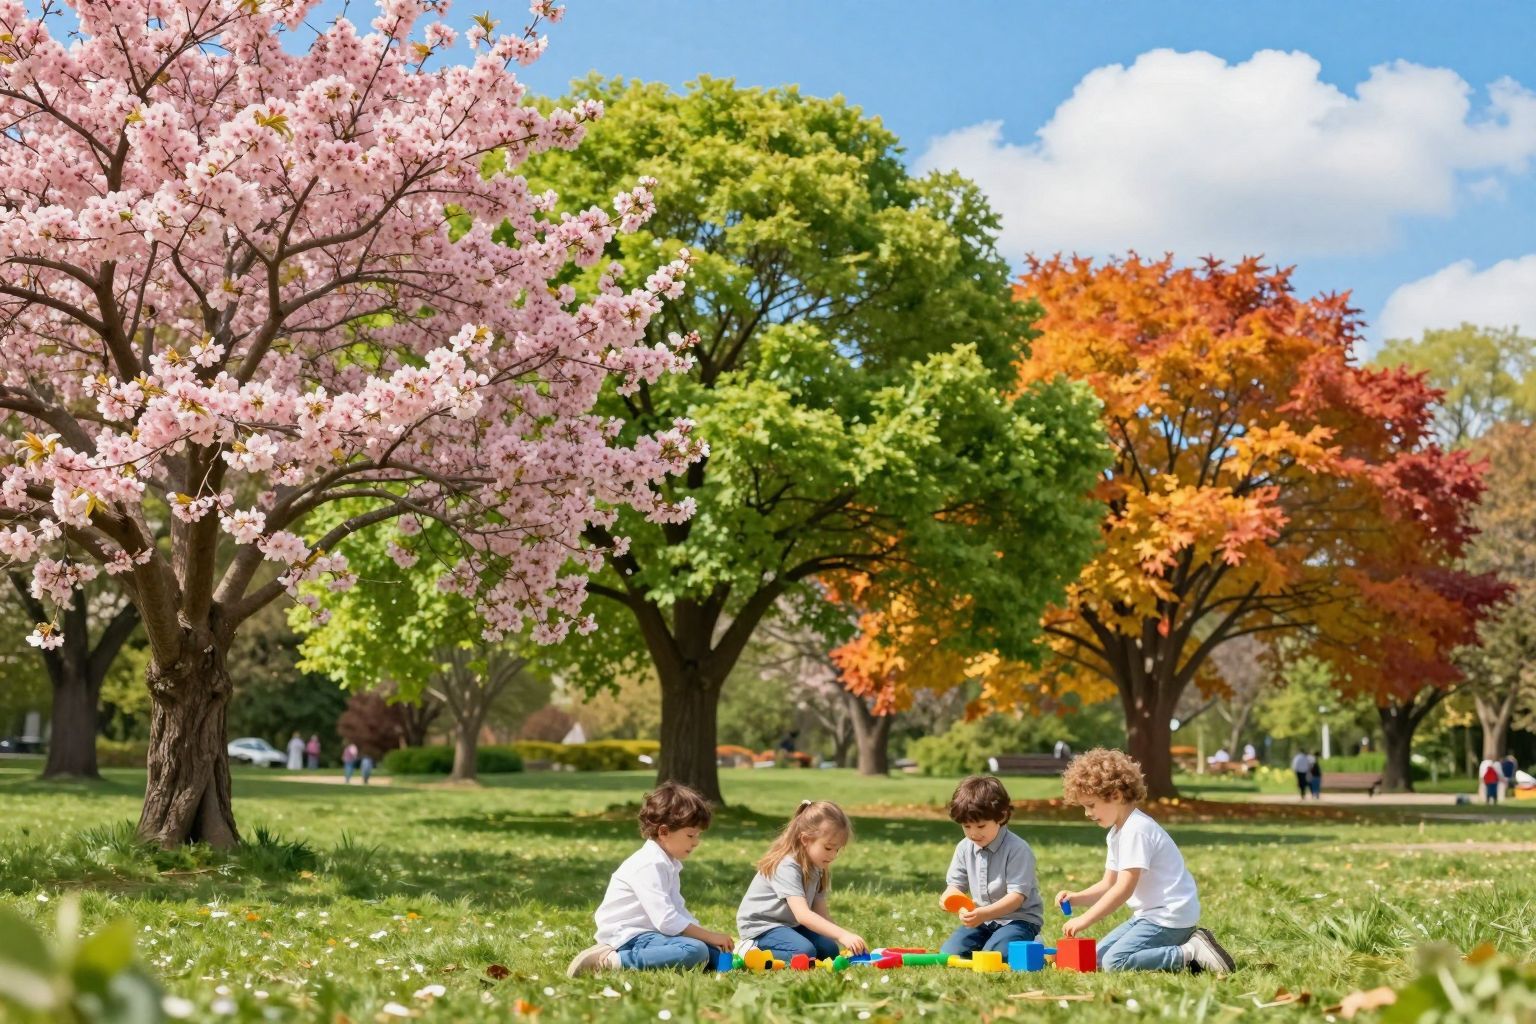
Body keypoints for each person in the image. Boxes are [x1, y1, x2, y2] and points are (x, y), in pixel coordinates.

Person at [1055, 748, 1234, 974]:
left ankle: (1190, 952)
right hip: (1148, 917)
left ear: (1116, 795)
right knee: (1097, 959)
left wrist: (1085, 920)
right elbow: (1108, 884)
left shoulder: (1137, 831)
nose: (1087, 813)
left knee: (1115, 963)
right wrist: (1077, 897)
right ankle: (1178, 946)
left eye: (1090, 805)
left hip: (1169, 917)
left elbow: (1123, 889)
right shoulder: (1117, 833)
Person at [567, 782, 731, 976]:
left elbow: (678, 910)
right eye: (690, 835)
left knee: (714, 953)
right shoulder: (648, 865)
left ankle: (689, 953)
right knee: (696, 950)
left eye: (698, 836)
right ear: (663, 832)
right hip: (630, 936)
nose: (696, 842)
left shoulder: (668, 863)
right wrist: (709, 936)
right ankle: (609, 961)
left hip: (654, 935)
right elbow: (667, 920)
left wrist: (711, 939)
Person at [736, 800, 865, 962]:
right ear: (805, 840)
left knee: (829, 950)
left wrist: (842, 939)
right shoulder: (787, 865)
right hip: (762, 927)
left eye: (837, 849)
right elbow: (803, 915)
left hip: (788, 925)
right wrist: (843, 934)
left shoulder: (817, 866)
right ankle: (748, 951)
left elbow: (821, 914)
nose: (833, 855)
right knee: (804, 952)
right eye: (828, 848)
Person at [937, 776, 1042, 957]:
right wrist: (948, 899)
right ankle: (992, 941)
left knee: (995, 956)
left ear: (1001, 817)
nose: (973, 833)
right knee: (949, 954)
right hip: (982, 921)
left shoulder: (1017, 849)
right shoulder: (964, 848)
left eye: (981, 825)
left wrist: (983, 913)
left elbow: (1016, 898)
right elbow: (955, 887)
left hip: (1018, 920)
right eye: (966, 826)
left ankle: (1032, 941)